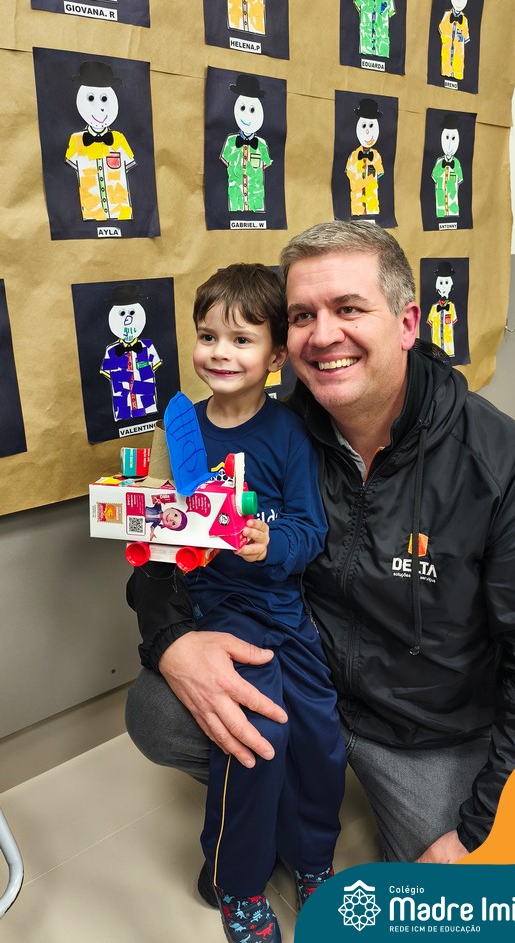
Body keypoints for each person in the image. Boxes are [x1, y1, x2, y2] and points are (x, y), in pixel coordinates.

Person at [125, 221, 515, 875]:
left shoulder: (507, 466)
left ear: (407, 323)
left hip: (429, 731)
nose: (324, 335)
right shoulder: (273, 428)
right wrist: (173, 641)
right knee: (159, 712)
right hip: (304, 675)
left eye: (349, 309)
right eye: (303, 315)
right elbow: (164, 549)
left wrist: (479, 830)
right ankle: (281, 801)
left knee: (468, 900)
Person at [128, 263, 346, 943]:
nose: (220, 352)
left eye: (241, 339)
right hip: (217, 612)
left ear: (276, 356)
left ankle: (312, 861)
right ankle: (239, 884)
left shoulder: (288, 434)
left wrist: (269, 542)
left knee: (320, 736)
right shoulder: (180, 427)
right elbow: (160, 534)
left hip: (283, 611)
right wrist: (146, 523)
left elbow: (310, 529)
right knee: (256, 740)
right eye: (207, 336)